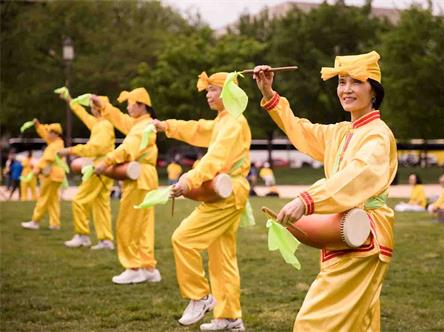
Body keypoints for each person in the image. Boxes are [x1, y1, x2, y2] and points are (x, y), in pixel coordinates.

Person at [253, 50, 397, 331]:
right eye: (342, 82)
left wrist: (308, 200)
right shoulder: (343, 132)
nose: (346, 89)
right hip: (347, 233)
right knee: (359, 325)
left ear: (374, 91)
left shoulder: (378, 135)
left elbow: (356, 175)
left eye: (356, 82)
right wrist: (269, 94)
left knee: (313, 324)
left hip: (363, 236)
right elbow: (301, 131)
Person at [152, 71, 250, 331]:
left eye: (213, 90)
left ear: (228, 93)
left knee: (183, 239)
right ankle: (229, 316)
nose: (208, 94)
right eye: (208, 90)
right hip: (227, 190)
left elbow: (215, 158)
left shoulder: (233, 123)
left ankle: (200, 296)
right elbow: (196, 128)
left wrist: (188, 180)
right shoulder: (223, 120)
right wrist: (168, 126)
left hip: (227, 192)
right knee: (222, 258)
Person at [93, 87, 160, 284]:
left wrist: (105, 162)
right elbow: (120, 119)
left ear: (142, 106)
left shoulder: (142, 127)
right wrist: (103, 104)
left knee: (127, 224)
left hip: (139, 178)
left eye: (132, 105)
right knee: (143, 226)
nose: (129, 108)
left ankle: (133, 267)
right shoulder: (140, 123)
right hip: (147, 177)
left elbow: (126, 148)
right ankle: (148, 267)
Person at [58, 92, 115, 250]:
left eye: (92, 106)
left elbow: (95, 148)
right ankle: (105, 241)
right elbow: (81, 114)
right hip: (104, 169)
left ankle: (82, 236)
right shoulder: (100, 124)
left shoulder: (103, 126)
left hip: (98, 169)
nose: (90, 109)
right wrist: (70, 100)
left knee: (79, 200)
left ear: (98, 109)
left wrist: (69, 151)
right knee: (101, 205)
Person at [21, 120, 65, 230]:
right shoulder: (57, 142)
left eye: (50, 132)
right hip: (57, 176)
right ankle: (55, 224)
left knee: (43, 198)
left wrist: (37, 169)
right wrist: (38, 126)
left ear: (55, 134)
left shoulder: (54, 146)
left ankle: (35, 221)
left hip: (51, 175)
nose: (48, 134)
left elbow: (47, 160)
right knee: (53, 200)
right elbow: (45, 135)